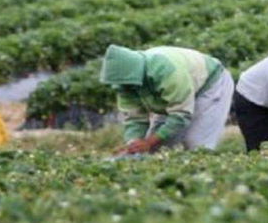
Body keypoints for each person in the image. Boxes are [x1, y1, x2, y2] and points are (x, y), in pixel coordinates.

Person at [99, 45, 234, 155]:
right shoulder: (125, 84)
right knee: (155, 150)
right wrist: (133, 143)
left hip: (210, 86)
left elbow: (181, 115)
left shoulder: (167, 71)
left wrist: (149, 142)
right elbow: (135, 119)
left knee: (196, 144)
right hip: (173, 98)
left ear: (134, 74)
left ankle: (203, 179)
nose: (123, 88)